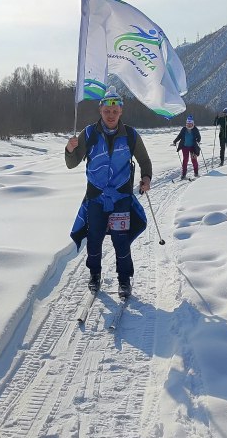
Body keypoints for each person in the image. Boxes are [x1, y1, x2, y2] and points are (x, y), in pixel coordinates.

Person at [65, 89, 152, 299]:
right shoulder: (89, 133)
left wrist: (146, 178)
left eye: (114, 110)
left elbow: (144, 160)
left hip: (121, 198)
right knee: (94, 239)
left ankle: (124, 279)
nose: (110, 115)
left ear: (121, 111)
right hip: (95, 197)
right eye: (107, 111)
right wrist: (70, 149)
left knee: (120, 240)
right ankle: (94, 274)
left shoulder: (131, 135)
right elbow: (72, 163)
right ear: (100, 111)